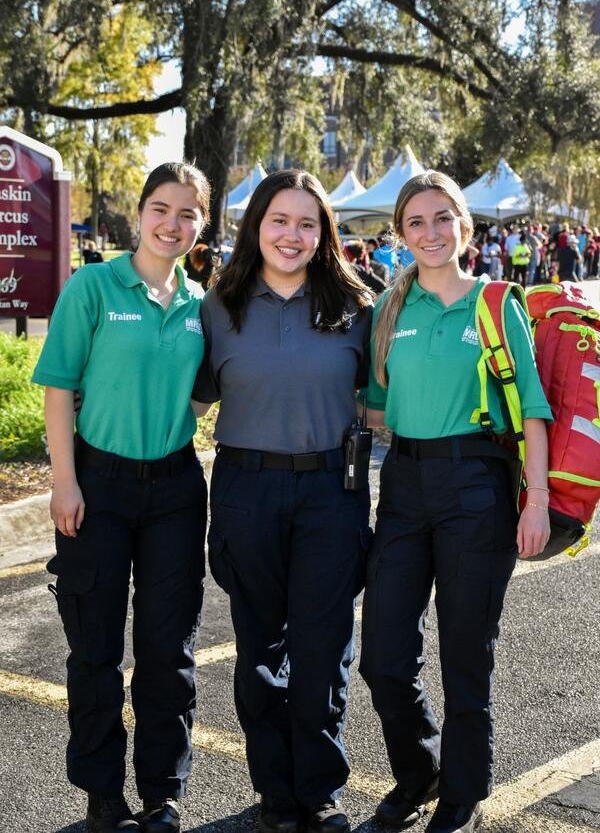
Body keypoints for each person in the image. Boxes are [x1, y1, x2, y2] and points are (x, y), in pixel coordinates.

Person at [359, 170, 552, 833]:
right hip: (405, 486)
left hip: (478, 488)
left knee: (466, 653)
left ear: (464, 226)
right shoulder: (390, 309)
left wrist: (537, 502)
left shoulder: (496, 302)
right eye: (416, 222)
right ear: (400, 235)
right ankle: (420, 771)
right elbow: (375, 407)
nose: (431, 232)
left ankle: (463, 795)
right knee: (383, 653)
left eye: (443, 218)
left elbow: (532, 407)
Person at [33, 162, 211, 833]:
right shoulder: (94, 286)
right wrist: (64, 481)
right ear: (140, 214)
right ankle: (102, 793)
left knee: (169, 650)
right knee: (96, 648)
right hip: (97, 485)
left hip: (174, 489)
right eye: (162, 208)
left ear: (201, 224)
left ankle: (163, 793)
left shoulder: (202, 305)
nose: (173, 223)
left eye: (187, 213)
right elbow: (58, 386)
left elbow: (205, 388)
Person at [192, 169, 372, 833]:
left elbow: (386, 401)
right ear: (255, 227)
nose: (291, 235)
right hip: (247, 490)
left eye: (307, 223)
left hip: (332, 491)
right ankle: (275, 791)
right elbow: (187, 402)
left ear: (323, 233)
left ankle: (320, 790)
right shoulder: (219, 306)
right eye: (279, 221)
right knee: (260, 651)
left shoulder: (357, 304)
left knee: (324, 651)